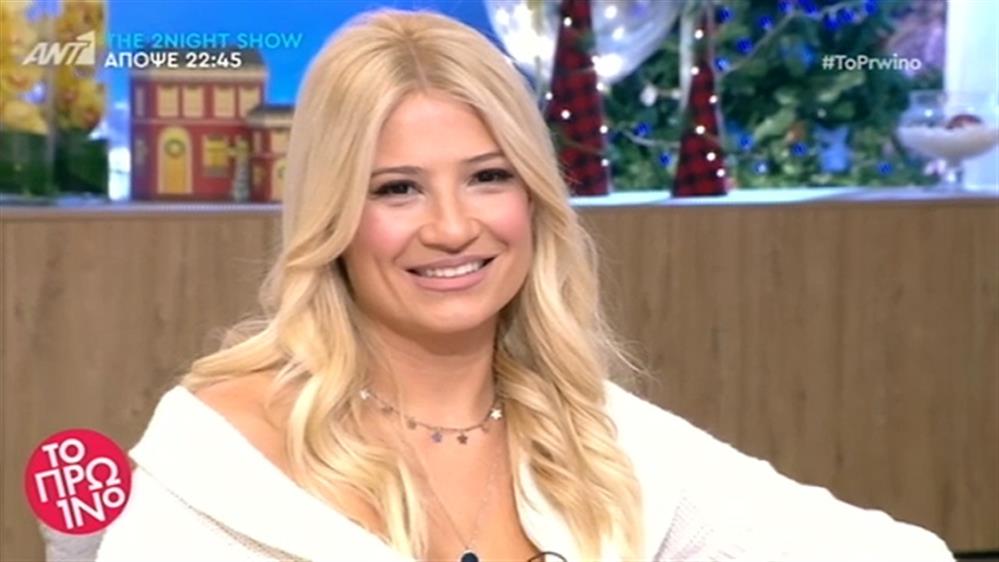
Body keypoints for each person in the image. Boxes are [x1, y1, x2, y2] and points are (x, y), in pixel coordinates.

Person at [96, 9, 953, 562]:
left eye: (488, 177)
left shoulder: (599, 434)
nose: (451, 227)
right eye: (397, 188)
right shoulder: (222, 456)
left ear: (534, 196)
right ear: (334, 216)